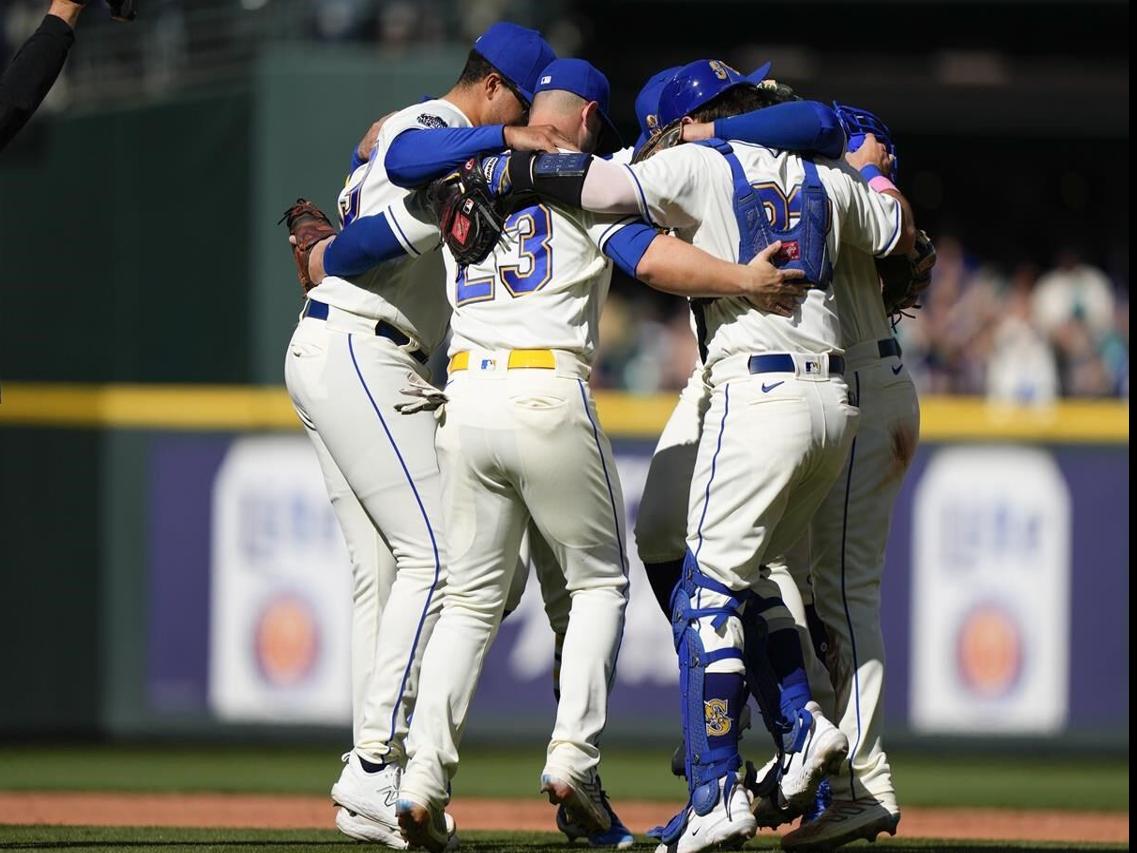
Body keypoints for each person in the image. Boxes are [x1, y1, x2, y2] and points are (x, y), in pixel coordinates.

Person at [499, 58, 915, 851]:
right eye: (728, 97)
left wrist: (505, 158)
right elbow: (891, 217)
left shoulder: (694, 159)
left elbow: (611, 209)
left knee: (751, 591)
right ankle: (793, 731)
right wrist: (876, 191)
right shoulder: (815, 165)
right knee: (713, 557)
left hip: (771, 380)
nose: (748, 99)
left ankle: (755, 777)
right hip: (822, 389)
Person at [283, 22, 556, 848]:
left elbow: (389, 170)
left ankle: (375, 772)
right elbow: (399, 180)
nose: (539, 119)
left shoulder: (422, 129)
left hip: (347, 346)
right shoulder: (428, 133)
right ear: (499, 88)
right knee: (444, 556)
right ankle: (372, 766)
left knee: (386, 574)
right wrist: (329, 254)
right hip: (364, 345)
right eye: (529, 103)